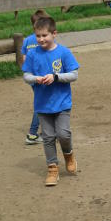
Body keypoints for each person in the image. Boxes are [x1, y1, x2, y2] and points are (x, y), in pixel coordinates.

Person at [21, 16, 80, 186]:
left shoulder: (64, 52)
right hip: (42, 105)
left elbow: (74, 75)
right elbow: (26, 75)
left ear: (54, 34)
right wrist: (35, 79)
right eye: (38, 36)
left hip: (62, 103)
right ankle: (52, 169)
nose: (41, 39)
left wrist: (56, 77)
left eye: (44, 35)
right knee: (47, 137)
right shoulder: (32, 54)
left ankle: (68, 154)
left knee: (63, 134)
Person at [20, 9, 50, 145]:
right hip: (42, 77)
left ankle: (46, 131)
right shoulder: (45, 38)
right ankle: (32, 134)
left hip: (32, 78)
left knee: (44, 102)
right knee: (41, 104)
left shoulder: (27, 40)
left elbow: (24, 60)